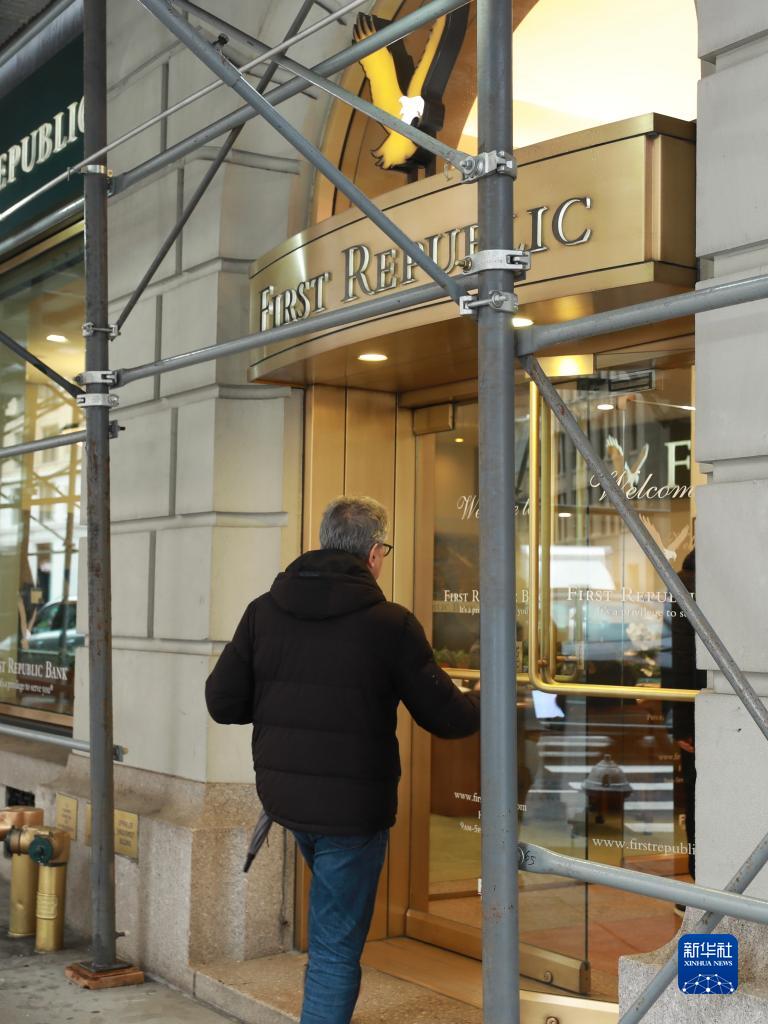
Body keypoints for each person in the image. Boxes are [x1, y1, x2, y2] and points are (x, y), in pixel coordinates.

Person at [205, 495, 480, 1024]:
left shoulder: (264, 611)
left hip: (287, 800)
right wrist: (487, 702)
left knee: (331, 927)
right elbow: (448, 718)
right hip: (352, 813)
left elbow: (223, 703)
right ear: (374, 553)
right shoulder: (390, 624)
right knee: (334, 947)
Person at [661, 547, 706, 906]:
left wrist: (681, 723)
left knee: (698, 796)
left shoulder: (687, 580)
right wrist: (682, 723)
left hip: (702, 708)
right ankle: (704, 883)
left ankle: (701, 882)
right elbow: (678, 655)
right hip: (707, 708)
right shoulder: (689, 582)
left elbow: (675, 655)